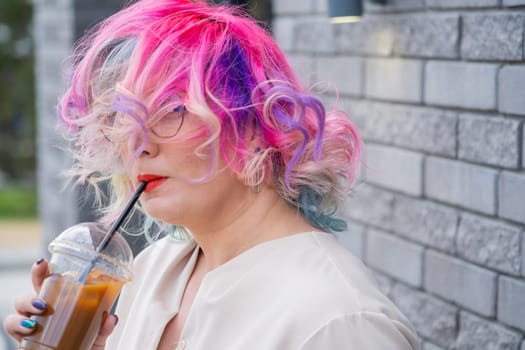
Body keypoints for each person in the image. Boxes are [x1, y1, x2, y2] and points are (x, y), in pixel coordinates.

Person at [4, 0, 419, 349]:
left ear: (256, 127)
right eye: (125, 119)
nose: (138, 144)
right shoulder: (151, 269)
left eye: (172, 111)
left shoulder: (338, 323)